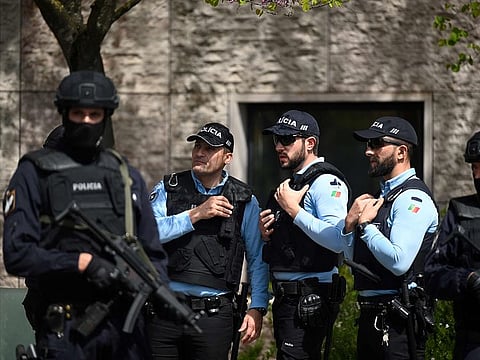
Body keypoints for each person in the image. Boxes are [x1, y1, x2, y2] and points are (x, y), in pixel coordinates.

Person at [2, 70, 169, 360]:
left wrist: (160, 291)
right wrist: (82, 262)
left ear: (107, 115)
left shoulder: (125, 176)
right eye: (79, 113)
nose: (87, 122)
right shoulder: (34, 173)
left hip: (125, 330)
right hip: (66, 327)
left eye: (95, 114)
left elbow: (153, 253)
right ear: (65, 113)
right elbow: (17, 254)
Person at [275, 116, 438, 360]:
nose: (368, 151)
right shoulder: (381, 197)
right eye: (367, 145)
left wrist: (365, 226)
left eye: (377, 144)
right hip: (371, 315)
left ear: (402, 152)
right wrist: (349, 229)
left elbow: (399, 261)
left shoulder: (412, 198)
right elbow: (355, 260)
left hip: (399, 322)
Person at [148, 122, 269, 360]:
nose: (200, 153)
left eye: (209, 148)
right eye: (197, 146)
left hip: (213, 316)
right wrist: (196, 214)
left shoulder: (244, 200)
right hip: (164, 312)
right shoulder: (168, 188)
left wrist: (257, 307)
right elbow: (148, 235)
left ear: (228, 157)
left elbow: (257, 258)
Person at [258, 109, 350, 360]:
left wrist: (293, 210)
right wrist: (268, 233)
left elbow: (337, 239)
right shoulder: (293, 183)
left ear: (310, 143)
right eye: (276, 139)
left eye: (287, 139)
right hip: (288, 298)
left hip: (309, 298)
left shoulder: (326, 182)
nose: (279, 146)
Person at [425, 131, 480, 360]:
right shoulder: (461, 213)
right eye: (474, 168)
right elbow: (432, 273)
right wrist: (467, 279)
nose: (478, 175)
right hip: (474, 339)